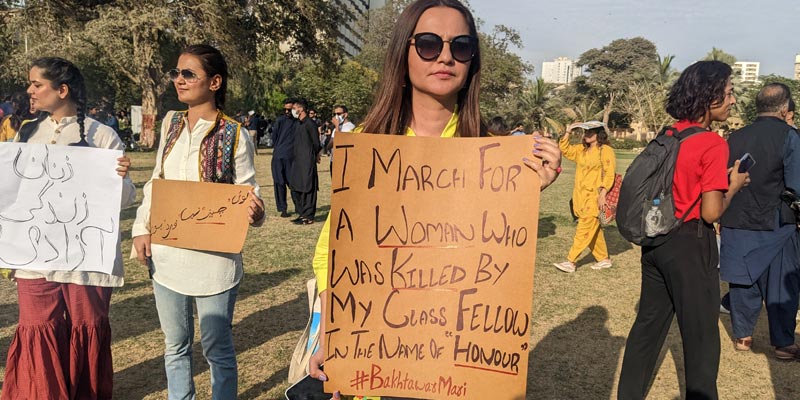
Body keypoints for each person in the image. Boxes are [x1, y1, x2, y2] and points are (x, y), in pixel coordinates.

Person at [306, 1, 562, 398]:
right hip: (379, 359)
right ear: (402, 53)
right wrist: (330, 332)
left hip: (460, 359)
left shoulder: (493, 157)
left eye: (460, 46)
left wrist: (527, 191)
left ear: (472, 59)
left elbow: (489, 255)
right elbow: (332, 254)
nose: (445, 56)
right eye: (428, 43)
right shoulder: (368, 150)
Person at [131, 44, 265, 400]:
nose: (179, 80)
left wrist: (256, 210)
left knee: (217, 351)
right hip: (167, 255)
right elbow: (156, 181)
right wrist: (141, 228)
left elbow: (250, 192)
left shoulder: (236, 134)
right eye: (176, 73)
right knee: (175, 346)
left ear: (215, 81)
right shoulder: (170, 122)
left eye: (188, 73)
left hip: (214, 261)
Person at [2, 57, 135, 400]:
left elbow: (124, 199)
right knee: (36, 327)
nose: (30, 91)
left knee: (84, 326)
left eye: (37, 85)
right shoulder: (28, 132)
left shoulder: (101, 135)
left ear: (62, 90)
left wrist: (118, 178)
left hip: (84, 255)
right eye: (30, 84)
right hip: (36, 252)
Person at [617, 61, 749, 400]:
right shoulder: (713, 144)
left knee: (647, 329)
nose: (732, 101)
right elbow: (710, 212)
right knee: (702, 338)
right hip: (691, 243)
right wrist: (733, 185)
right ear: (710, 97)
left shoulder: (671, 134)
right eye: (729, 93)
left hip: (657, 240)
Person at [719, 83, 800, 360]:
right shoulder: (790, 137)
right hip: (776, 220)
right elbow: (796, 185)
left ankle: (742, 336)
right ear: (784, 108)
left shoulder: (734, 137)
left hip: (736, 217)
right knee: (781, 283)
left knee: (742, 279)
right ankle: (783, 344)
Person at [553, 122, 616, 272]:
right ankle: (604, 259)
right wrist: (568, 131)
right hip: (580, 196)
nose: (586, 135)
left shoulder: (605, 150)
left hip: (595, 196)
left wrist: (603, 194)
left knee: (584, 227)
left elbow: (609, 173)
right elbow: (565, 149)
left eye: (590, 132)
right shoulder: (582, 150)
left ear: (598, 134)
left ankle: (571, 261)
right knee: (592, 228)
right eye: (585, 132)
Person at [289, 98, 321, 225]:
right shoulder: (297, 124)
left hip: (307, 160)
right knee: (296, 186)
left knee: (308, 187)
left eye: (294, 108)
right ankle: (301, 213)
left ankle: (308, 216)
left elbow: (316, 142)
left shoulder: (310, 123)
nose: (292, 111)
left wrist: (316, 154)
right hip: (296, 160)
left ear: (301, 109)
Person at [271, 98, 298, 218]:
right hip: (279, 156)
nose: (287, 112)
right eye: (285, 110)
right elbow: (274, 138)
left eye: (290, 109)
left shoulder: (298, 122)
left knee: (293, 183)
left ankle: (299, 206)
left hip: (292, 157)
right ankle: (283, 208)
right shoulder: (279, 121)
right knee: (279, 182)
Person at [325, 104, 355, 176]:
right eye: (334, 114)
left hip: (345, 162)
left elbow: (338, 142)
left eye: (338, 114)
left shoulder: (351, 127)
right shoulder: (336, 128)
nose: (336, 116)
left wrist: (337, 127)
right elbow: (330, 144)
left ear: (345, 114)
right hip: (334, 160)